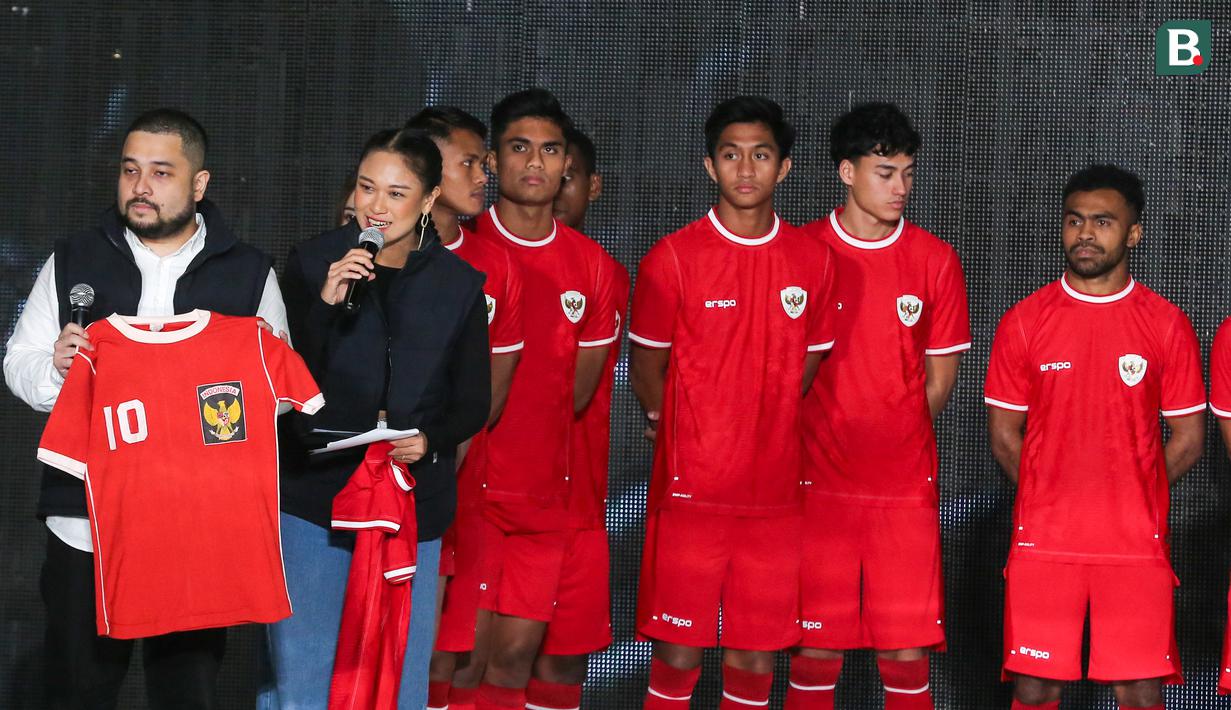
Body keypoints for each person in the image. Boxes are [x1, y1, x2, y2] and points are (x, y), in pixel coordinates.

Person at [3, 107, 288, 709]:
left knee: (188, 692)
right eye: (131, 170)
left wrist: (215, 387)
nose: (140, 186)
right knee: (78, 689)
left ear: (199, 184)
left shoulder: (248, 273)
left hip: (195, 526)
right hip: (84, 524)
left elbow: (276, 394)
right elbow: (17, 364)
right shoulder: (72, 259)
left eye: (161, 172)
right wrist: (60, 372)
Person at [266, 127, 491, 709]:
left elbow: (471, 400)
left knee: (399, 677)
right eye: (368, 188)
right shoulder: (314, 261)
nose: (376, 206)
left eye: (396, 193)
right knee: (303, 679)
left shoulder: (457, 285)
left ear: (429, 200)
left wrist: (429, 439)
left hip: (409, 503)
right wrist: (323, 304)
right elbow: (280, 382)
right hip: (314, 499)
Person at [629, 96, 837, 710]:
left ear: (785, 168)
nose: (746, 169)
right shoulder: (671, 259)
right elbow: (647, 366)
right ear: (709, 166)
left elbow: (809, 362)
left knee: (754, 654)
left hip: (775, 497)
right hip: (692, 496)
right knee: (677, 651)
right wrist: (683, 424)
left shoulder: (813, 260)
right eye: (731, 155)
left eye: (761, 154)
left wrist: (756, 411)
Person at [985, 165, 1205, 710]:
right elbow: (1004, 435)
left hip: (1133, 545)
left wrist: (1131, 488)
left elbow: (1190, 437)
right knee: (1034, 689)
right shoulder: (1024, 321)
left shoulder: (1166, 324)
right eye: (1075, 221)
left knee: (1138, 692)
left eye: (1103, 222)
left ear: (1133, 233)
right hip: (1044, 543)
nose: (1085, 234)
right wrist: (1048, 492)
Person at [790, 103, 970, 710]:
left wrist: (889, 435)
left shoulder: (936, 260)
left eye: (908, 174)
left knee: (905, 653)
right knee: (814, 654)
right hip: (815, 490)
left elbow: (937, 384)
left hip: (902, 493)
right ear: (846, 172)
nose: (901, 188)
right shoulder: (801, 251)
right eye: (886, 172)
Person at [468, 89, 618, 710]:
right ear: (493, 161)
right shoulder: (460, 247)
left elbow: (576, 394)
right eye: (519, 147)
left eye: (550, 150)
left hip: (542, 501)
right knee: (456, 662)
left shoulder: (597, 269)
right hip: (464, 493)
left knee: (511, 663)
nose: (535, 162)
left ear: (566, 166)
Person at [403, 106, 525, 710]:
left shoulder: (497, 265)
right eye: (469, 163)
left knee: (449, 649)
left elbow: (488, 394)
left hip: (454, 485)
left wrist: (441, 461)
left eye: (483, 162)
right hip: (371, 483)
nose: (485, 175)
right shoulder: (376, 253)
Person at [553, 126, 602, 231]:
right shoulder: (509, 247)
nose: (554, 189)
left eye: (565, 177)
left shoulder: (594, 248)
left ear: (593, 186)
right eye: (547, 178)